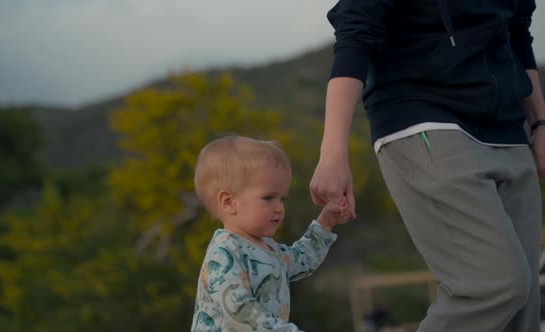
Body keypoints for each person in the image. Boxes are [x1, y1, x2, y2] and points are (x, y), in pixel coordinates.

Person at [310, 1, 545, 331]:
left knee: (524, 306)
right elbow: (355, 33)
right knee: (493, 285)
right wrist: (333, 152)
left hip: (508, 125)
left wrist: (540, 123)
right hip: (424, 117)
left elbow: (518, 32)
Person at [190, 135, 349, 331]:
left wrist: (326, 223)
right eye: (268, 198)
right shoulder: (224, 253)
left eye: (282, 199)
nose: (279, 208)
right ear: (229, 202)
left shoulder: (269, 248)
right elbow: (240, 309)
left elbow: (301, 259)